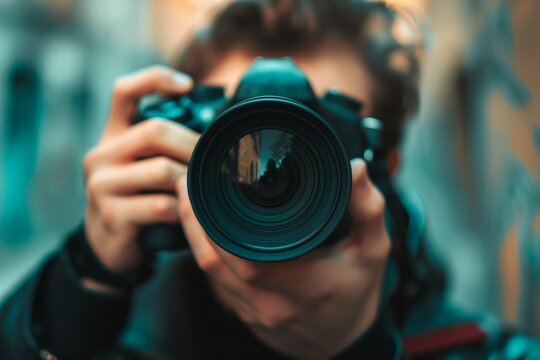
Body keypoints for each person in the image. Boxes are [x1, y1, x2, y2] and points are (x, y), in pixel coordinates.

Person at [0, 1, 538, 359]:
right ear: (175, 150)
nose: (268, 174)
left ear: (385, 167)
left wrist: (356, 347)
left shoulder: (482, 348)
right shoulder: (120, 332)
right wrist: (83, 283)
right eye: (237, 136)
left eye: (317, 134)